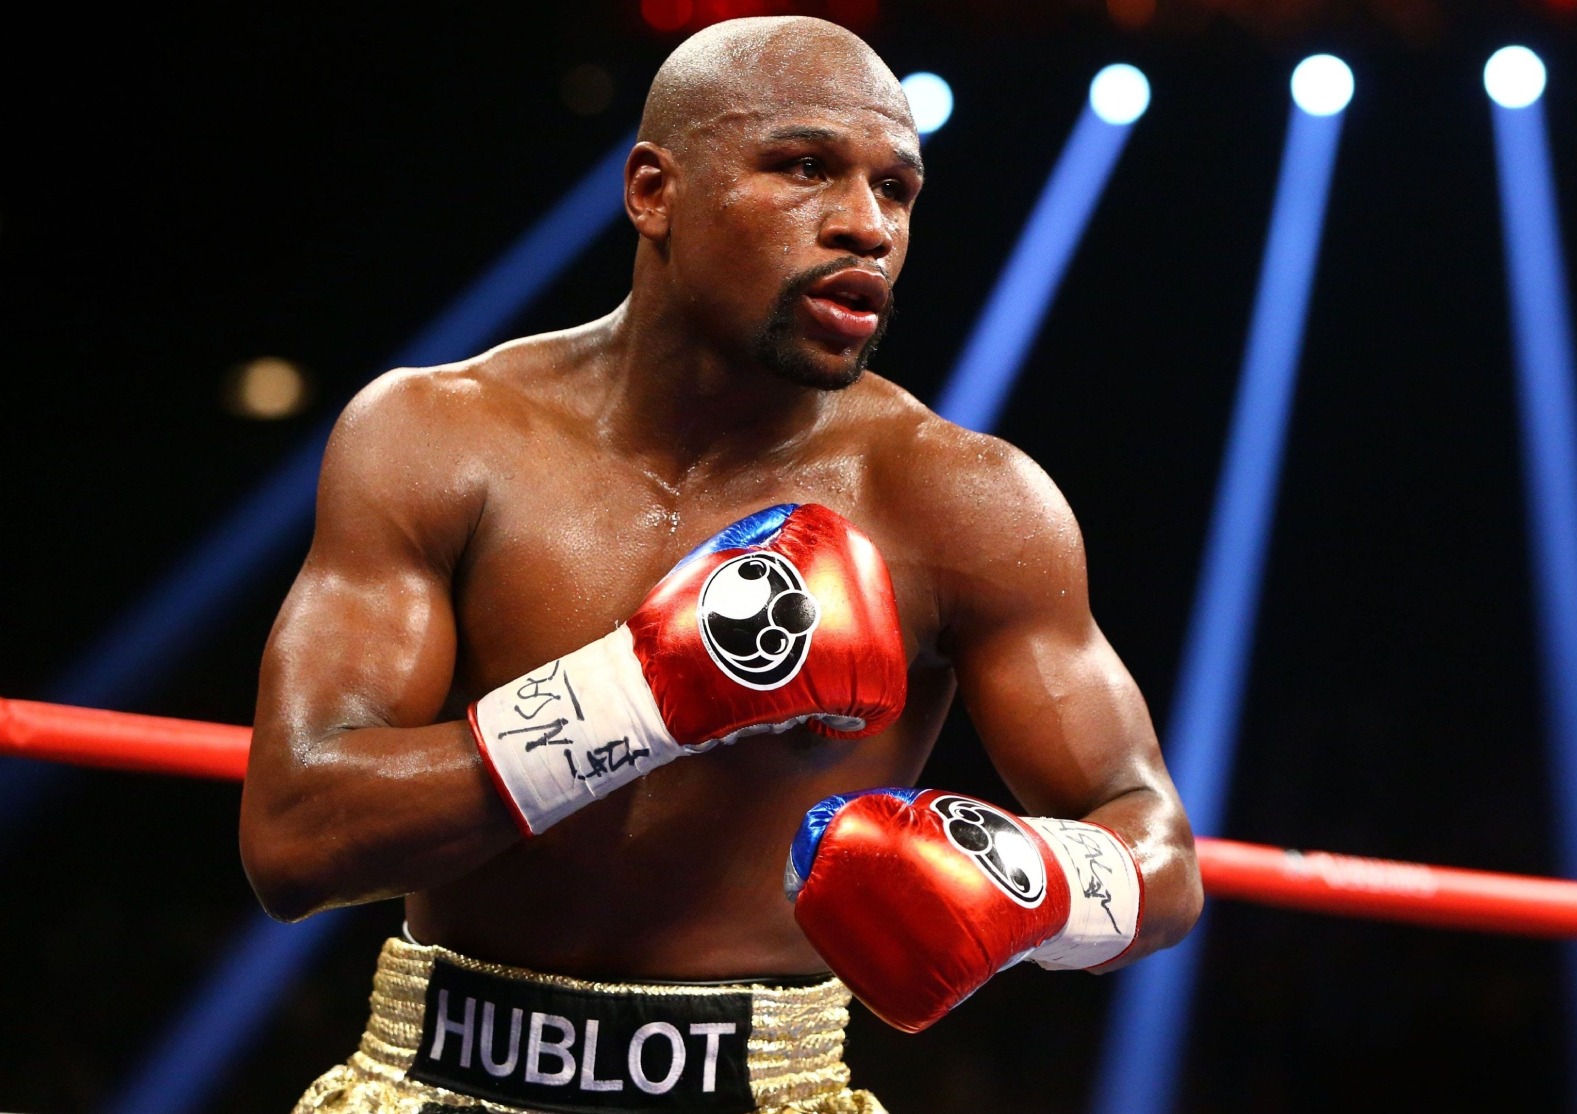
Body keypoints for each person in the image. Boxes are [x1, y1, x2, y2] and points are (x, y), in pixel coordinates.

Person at [240, 15, 1200, 1114]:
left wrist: (1028, 883)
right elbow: (296, 835)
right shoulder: (438, 437)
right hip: (436, 1074)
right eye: (806, 168)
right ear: (654, 190)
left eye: (897, 189)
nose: (865, 226)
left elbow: (1157, 848)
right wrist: (640, 696)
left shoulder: (961, 501)